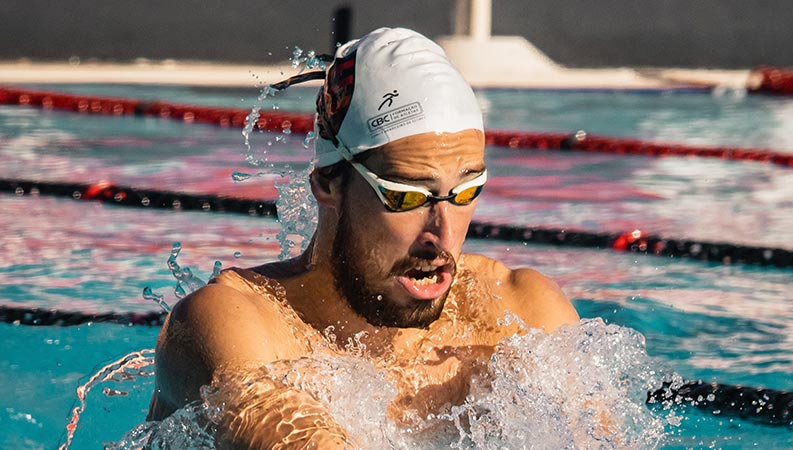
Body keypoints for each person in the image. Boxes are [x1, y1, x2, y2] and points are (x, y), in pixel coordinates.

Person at [147, 27, 579, 448]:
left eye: (466, 192)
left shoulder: (523, 317)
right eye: (406, 196)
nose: (443, 234)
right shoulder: (235, 326)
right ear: (327, 184)